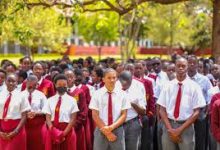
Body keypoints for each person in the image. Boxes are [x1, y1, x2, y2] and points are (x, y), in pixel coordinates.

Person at [157, 57, 206, 150]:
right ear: (175, 67)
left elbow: (196, 112)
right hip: (169, 126)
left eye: (183, 66)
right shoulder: (167, 86)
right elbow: (162, 110)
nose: (180, 68)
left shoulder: (194, 87)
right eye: (178, 66)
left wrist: (179, 130)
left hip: (186, 127)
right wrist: (171, 130)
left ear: (187, 67)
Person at [89, 68, 131, 150]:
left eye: (114, 77)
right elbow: (94, 114)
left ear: (117, 79)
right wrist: (106, 131)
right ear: (103, 79)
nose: (112, 80)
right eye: (109, 78)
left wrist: (111, 128)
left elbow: (124, 114)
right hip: (101, 129)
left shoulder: (123, 94)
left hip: (117, 130)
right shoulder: (97, 94)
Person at [42, 74, 79, 150]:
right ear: (55, 85)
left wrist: (63, 134)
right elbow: (48, 118)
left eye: (64, 84)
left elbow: (73, 119)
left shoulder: (72, 100)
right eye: (59, 84)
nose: (62, 86)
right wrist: (54, 131)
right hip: (52, 130)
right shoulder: (49, 100)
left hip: (67, 131)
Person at [187, 55, 213, 150]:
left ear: (197, 65)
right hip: (185, 114)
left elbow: (211, 94)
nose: (192, 64)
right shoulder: (183, 79)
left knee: (200, 141)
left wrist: (207, 108)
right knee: (187, 141)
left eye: (194, 63)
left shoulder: (204, 79)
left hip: (200, 115)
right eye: (190, 62)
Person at [0, 73, 31, 150]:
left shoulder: (22, 96)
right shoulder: (0, 95)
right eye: (9, 81)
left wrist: (16, 131)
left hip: (17, 128)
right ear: (5, 81)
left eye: (13, 81)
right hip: (2, 128)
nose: (11, 83)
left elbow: (24, 115)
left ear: (17, 82)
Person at [119, 70, 146, 150]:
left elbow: (143, 111)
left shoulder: (138, 87)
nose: (124, 85)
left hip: (132, 124)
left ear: (131, 80)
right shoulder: (114, 86)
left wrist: (132, 103)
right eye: (122, 82)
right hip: (117, 125)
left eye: (127, 83)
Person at [64, 69, 88, 150]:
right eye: (67, 77)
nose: (69, 79)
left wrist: (74, 125)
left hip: (76, 128)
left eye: (71, 77)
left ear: (75, 78)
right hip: (63, 127)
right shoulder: (61, 93)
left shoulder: (79, 92)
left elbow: (83, 112)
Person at [22, 75, 47, 150]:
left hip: (37, 126)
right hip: (24, 125)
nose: (32, 87)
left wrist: (36, 113)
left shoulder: (41, 95)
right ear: (26, 83)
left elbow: (46, 110)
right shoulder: (20, 95)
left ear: (37, 84)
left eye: (34, 85)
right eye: (30, 85)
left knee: (37, 146)